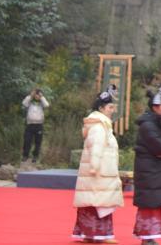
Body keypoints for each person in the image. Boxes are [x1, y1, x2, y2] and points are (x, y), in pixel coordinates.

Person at [72, 85, 123, 244]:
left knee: (97, 203)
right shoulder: (99, 126)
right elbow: (96, 148)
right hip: (98, 171)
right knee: (99, 203)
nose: (112, 110)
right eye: (110, 107)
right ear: (101, 108)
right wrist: (94, 166)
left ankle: (93, 234)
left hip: (100, 170)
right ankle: (97, 234)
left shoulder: (101, 124)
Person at [133, 87, 161, 245]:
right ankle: (146, 236)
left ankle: (150, 236)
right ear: (155, 107)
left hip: (153, 166)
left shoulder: (158, 122)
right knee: (149, 203)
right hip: (148, 168)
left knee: (153, 203)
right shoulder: (148, 125)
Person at [22, 88, 50, 163]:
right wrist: (31, 96)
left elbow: (47, 105)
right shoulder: (30, 102)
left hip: (39, 125)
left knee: (38, 142)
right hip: (30, 124)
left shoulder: (41, 103)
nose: (37, 96)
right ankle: (25, 155)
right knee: (27, 141)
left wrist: (42, 97)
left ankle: (35, 156)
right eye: (36, 94)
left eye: (38, 94)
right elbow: (24, 103)